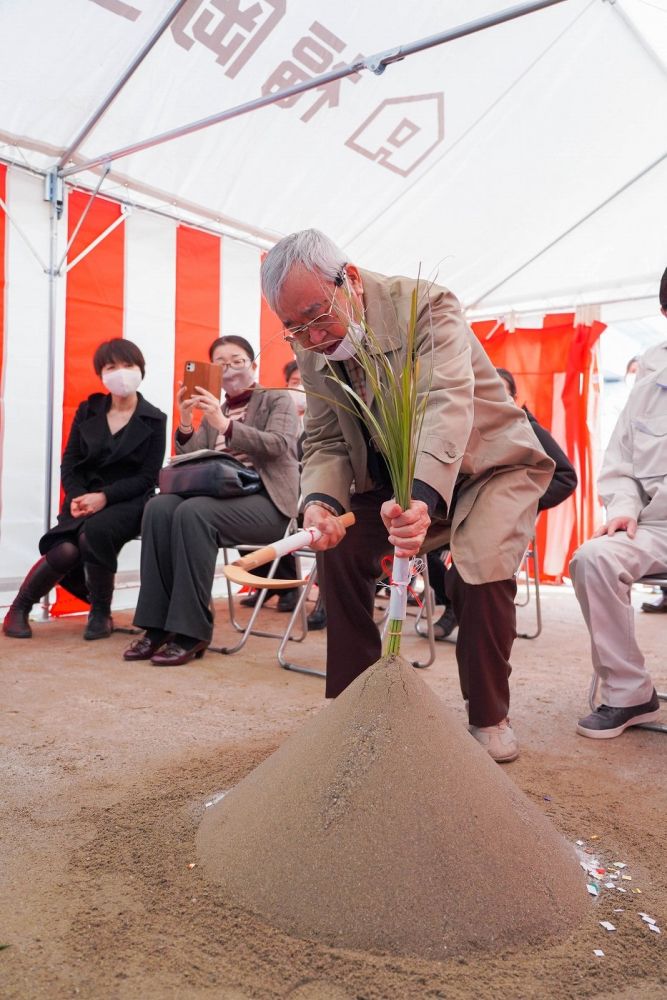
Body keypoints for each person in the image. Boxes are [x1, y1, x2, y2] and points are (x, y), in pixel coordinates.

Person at [260, 229, 554, 763]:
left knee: (479, 569)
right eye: (295, 329)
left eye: (317, 316)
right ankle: (352, 707)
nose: (313, 336)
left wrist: (420, 496)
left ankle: (489, 717)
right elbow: (324, 438)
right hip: (395, 481)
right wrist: (319, 503)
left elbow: (445, 402)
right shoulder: (314, 348)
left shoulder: (427, 305)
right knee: (341, 549)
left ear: (347, 280)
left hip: (482, 468)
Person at [123, 335, 300, 666]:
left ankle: (192, 631)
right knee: (159, 507)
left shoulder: (277, 400)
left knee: (193, 512)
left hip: (267, 503)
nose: (230, 367)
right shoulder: (215, 409)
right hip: (223, 499)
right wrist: (187, 420)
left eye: (237, 360)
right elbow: (190, 461)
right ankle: (156, 626)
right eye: (221, 362)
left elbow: (278, 445)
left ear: (253, 365)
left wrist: (225, 425)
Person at [3, 339, 166, 641]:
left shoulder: (154, 419)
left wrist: (105, 497)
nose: (121, 373)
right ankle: (18, 610)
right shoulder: (88, 409)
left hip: (128, 501)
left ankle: (100, 612)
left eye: (128, 365)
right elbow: (70, 463)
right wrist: (78, 496)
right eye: (111, 367)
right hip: (82, 499)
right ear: (101, 374)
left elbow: (147, 477)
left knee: (93, 533)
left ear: (141, 369)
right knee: (66, 549)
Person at [570, 267, 667, 738]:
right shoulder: (651, 379)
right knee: (593, 558)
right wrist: (623, 508)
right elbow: (621, 461)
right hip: (656, 525)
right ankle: (630, 694)